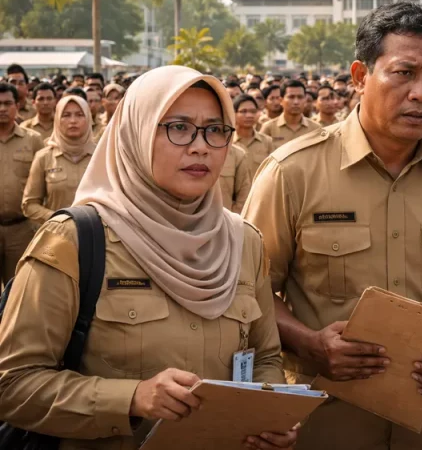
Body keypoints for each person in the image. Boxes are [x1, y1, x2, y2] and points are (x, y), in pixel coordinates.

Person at [243, 2, 422, 450]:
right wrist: (309, 343)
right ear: (360, 76)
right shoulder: (292, 173)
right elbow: (249, 294)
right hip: (321, 423)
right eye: (403, 73)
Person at [0, 65, 296, 450]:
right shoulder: (74, 240)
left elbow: (265, 356)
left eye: (215, 129)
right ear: (135, 133)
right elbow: (13, 384)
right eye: (178, 127)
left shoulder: (244, 240)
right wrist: (132, 398)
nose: (200, 146)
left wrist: (270, 413)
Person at [22, 95, 95, 225]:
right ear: (57, 120)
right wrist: (58, 219)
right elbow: (29, 204)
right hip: (57, 235)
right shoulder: (43, 157)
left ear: (88, 119)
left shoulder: (101, 156)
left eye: (79, 114)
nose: (73, 121)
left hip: (96, 235)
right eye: (66, 115)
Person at [0, 82, 45, 286]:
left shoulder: (33, 140)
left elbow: (43, 187)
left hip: (21, 229)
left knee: (18, 289)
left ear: (18, 105)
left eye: (8, 103)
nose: (2, 108)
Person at [258, 80, 321, 147]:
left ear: (305, 100)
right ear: (281, 100)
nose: (296, 102)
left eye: (300, 97)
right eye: (291, 97)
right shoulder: (269, 128)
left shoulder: (315, 128)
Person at [232, 94, 274, 184]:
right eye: (243, 111)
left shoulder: (267, 142)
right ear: (234, 114)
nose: (249, 115)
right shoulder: (228, 142)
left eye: (253, 111)